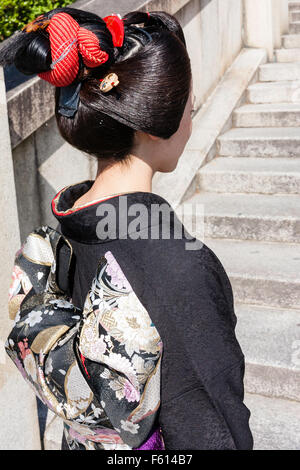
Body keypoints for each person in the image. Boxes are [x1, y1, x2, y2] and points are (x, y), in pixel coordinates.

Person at [1, 7, 253, 450]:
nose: (190, 114)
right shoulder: (178, 268)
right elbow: (211, 431)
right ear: (153, 125)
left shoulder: (70, 229)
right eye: (187, 103)